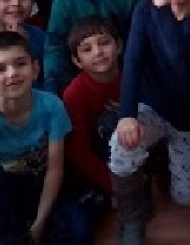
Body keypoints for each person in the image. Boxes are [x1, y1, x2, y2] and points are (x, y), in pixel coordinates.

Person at [110, 0, 190, 244]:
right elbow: (132, 63)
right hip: (153, 108)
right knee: (121, 146)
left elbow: (177, 55)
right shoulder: (144, 11)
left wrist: (160, 6)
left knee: (187, 199)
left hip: (189, 118)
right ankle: (132, 220)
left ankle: (159, 162)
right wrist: (127, 115)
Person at [0, 31, 90, 244]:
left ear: (35, 69)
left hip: (39, 185)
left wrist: (40, 223)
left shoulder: (52, 107)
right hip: (2, 193)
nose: (12, 74)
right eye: (0, 69)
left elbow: (55, 169)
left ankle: (29, 226)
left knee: (79, 232)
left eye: (20, 64)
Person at [62, 17, 122, 226]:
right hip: (97, 159)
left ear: (119, 46)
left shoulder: (132, 76)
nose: (98, 52)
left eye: (104, 43)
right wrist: (112, 184)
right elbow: (79, 151)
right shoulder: (73, 95)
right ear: (77, 61)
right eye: (87, 49)